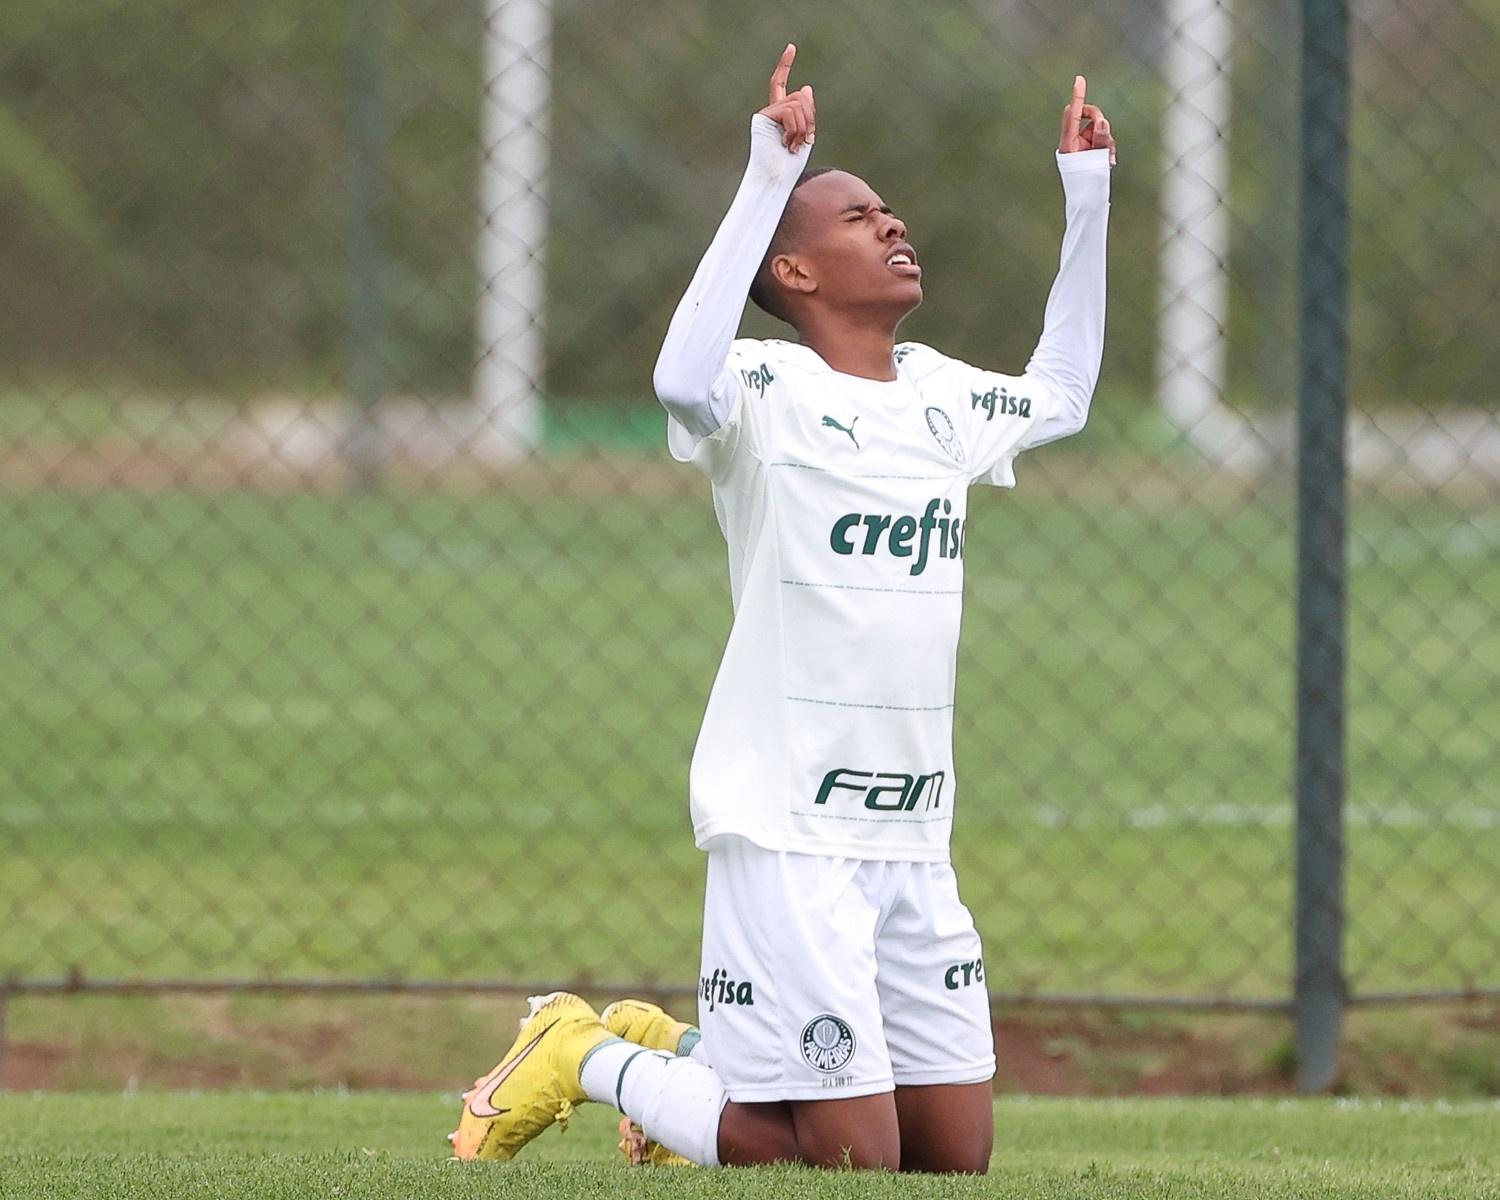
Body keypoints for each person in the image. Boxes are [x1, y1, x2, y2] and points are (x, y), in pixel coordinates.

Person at [449, 42, 1115, 1173]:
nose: (891, 224)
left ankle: (687, 1055)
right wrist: (767, 178)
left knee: (948, 1164)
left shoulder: (945, 394)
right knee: (845, 1161)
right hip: (789, 832)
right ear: (795, 274)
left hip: (912, 837)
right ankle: (585, 1050)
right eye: (857, 217)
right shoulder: (762, 390)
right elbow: (677, 378)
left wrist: (1087, 196)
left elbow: (1063, 392)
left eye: (890, 211)